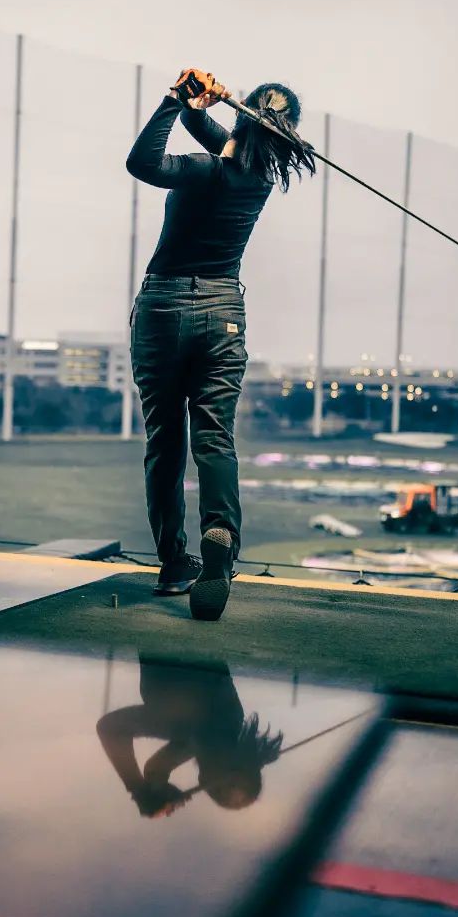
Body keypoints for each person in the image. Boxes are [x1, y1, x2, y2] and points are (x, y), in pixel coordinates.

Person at [125, 68, 316, 620]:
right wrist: (197, 104)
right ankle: (220, 535)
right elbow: (224, 138)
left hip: (162, 308)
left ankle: (172, 564)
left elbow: (143, 163)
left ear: (245, 115)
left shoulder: (204, 170)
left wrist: (171, 101)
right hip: (222, 313)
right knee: (215, 436)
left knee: (165, 439)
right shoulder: (257, 174)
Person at [96, 655, 284, 818]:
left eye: (219, 789)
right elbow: (110, 729)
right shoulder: (195, 726)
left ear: (203, 784)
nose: (224, 779)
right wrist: (139, 790)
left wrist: (157, 786)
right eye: (233, 778)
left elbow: (157, 767)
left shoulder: (213, 734)